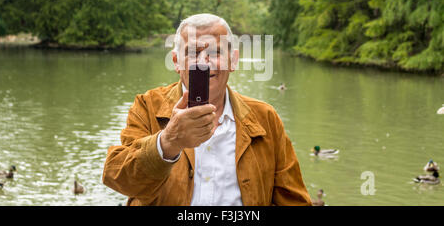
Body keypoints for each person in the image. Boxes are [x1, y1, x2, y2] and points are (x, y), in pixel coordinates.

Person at [102, 13, 312, 206]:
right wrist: (168, 142)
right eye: (193, 52)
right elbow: (120, 179)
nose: (203, 63)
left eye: (215, 52)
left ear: (233, 60)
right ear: (176, 61)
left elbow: (295, 201)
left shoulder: (266, 118)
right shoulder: (148, 106)